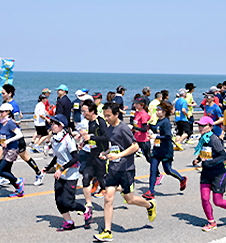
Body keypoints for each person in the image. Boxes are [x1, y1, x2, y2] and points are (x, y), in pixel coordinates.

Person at [93, 102, 156, 242]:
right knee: (108, 198)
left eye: (109, 116)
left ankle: (150, 205)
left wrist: (119, 155)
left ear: (117, 114)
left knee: (130, 199)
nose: (107, 118)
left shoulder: (123, 128)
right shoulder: (109, 129)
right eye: (105, 116)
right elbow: (115, 147)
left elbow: (135, 146)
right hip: (113, 169)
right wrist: (106, 152)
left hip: (126, 169)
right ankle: (107, 231)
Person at [41, 114, 93, 231]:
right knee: (59, 201)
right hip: (60, 174)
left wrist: (61, 169)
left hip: (70, 174)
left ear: (61, 126)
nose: (52, 125)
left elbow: (76, 158)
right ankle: (69, 222)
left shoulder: (68, 139)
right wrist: (48, 167)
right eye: (52, 123)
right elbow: (57, 156)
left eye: (54, 123)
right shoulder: (55, 138)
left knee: (68, 202)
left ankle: (86, 211)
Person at [192, 116, 226, 232]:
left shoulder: (214, 139)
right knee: (204, 198)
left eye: (203, 125)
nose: (200, 127)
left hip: (218, 173)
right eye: (199, 125)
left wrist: (210, 162)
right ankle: (211, 222)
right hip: (206, 173)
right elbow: (204, 152)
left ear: (211, 127)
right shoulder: (203, 138)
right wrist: (198, 159)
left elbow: (224, 156)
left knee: (218, 201)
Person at [0, 84, 44, 186]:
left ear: (10, 94)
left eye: (3, 93)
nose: (2, 95)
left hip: (15, 137)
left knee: (24, 156)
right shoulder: (5, 103)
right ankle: (5, 175)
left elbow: (18, 121)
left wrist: (8, 123)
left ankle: (39, 173)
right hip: (6, 137)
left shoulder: (13, 105)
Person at [142, 101, 187, 200]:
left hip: (166, 150)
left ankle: (182, 179)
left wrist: (156, 136)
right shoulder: (159, 121)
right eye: (157, 110)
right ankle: (151, 191)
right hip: (157, 150)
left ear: (165, 112)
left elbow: (168, 136)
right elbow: (157, 129)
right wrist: (148, 126)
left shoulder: (166, 122)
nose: (157, 112)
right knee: (153, 170)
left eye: (159, 110)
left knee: (168, 170)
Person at [80, 99, 108, 202]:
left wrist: (91, 138)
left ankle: (121, 190)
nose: (83, 114)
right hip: (92, 154)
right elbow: (92, 136)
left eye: (84, 111)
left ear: (92, 111)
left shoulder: (100, 121)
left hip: (101, 154)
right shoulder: (90, 122)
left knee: (102, 178)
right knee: (85, 176)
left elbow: (106, 137)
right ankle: (88, 204)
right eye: (81, 111)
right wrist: (85, 142)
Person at [0, 103, 25, 197]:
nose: (0, 113)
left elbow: (19, 135)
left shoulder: (10, 123)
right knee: (7, 171)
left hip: (12, 149)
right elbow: (3, 137)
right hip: (7, 149)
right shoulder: (2, 122)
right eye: (0, 111)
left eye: (2, 111)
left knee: (0, 171)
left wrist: (8, 141)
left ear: (8, 112)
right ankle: (19, 190)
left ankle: (18, 181)